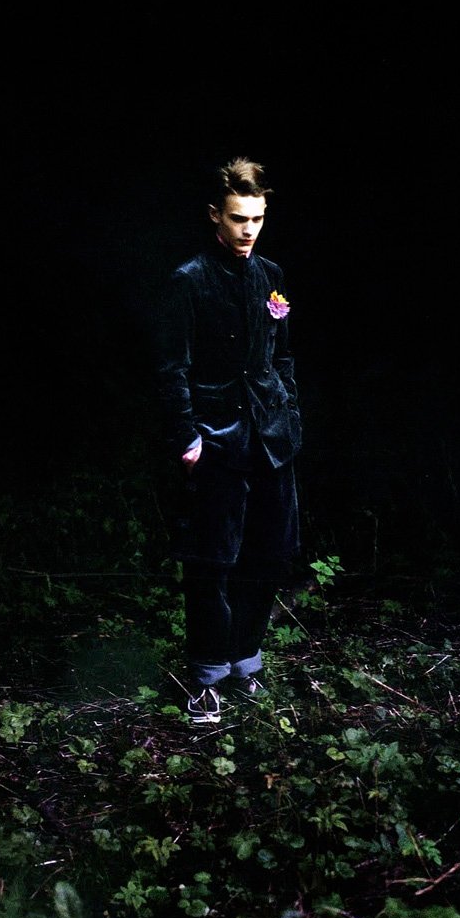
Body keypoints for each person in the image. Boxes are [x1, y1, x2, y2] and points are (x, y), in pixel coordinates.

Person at [156, 157, 301, 723]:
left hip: (270, 438)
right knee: (211, 562)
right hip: (216, 441)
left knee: (268, 556)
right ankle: (206, 678)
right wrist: (189, 438)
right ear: (215, 215)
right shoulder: (189, 280)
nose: (249, 230)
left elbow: (281, 355)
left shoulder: (272, 275)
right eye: (239, 218)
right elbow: (172, 368)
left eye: (258, 218)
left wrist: (289, 415)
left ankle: (245, 661)